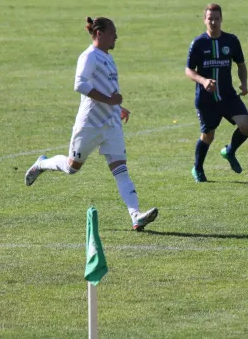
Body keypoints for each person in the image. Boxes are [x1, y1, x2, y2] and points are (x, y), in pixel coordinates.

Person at [24, 16, 158, 231]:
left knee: (121, 170)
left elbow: (107, 90)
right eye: (113, 33)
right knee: (72, 168)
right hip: (90, 124)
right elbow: (79, 84)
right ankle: (41, 164)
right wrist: (108, 101)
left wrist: (116, 107)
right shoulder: (88, 57)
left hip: (111, 123)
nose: (116, 37)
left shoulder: (108, 58)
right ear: (99, 33)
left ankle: (136, 216)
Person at [185, 3, 248, 183]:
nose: (213, 22)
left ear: (221, 19)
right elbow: (189, 70)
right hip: (206, 100)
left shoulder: (231, 41)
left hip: (228, 96)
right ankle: (198, 168)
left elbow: (241, 64)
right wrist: (204, 81)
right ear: (204, 20)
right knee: (208, 135)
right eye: (210, 18)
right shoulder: (198, 43)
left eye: (216, 18)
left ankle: (230, 150)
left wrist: (244, 83)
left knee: (246, 126)